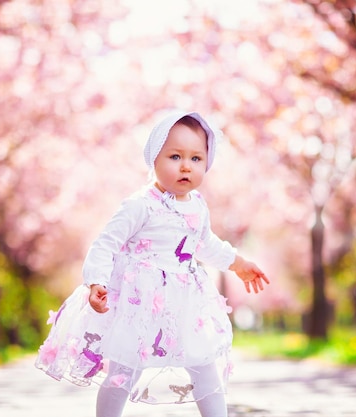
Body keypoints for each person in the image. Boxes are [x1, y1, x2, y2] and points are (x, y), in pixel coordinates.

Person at [35, 110, 269, 417]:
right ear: (154, 159)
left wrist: (237, 263)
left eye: (196, 159)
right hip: (140, 300)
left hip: (185, 302)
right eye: (175, 156)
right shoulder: (139, 205)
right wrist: (97, 282)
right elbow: (105, 243)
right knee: (124, 369)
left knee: (203, 365)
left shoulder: (198, 205)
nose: (186, 166)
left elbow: (205, 244)